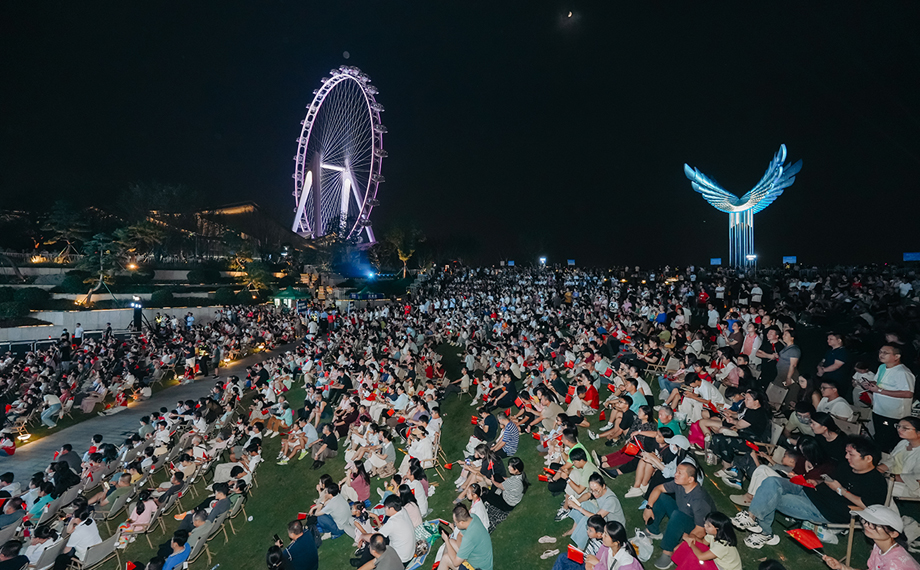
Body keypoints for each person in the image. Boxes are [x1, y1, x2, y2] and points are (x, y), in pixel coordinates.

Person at [732, 437, 888, 549]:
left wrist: (841, 490)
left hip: (823, 509)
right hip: (809, 490)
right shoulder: (845, 466)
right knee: (771, 481)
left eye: (851, 454)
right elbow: (828, 480)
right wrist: (817, 482)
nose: (846, 457)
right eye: (846, 453)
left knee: (772, 497)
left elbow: (868, 507)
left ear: (868, 458)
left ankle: (764, 531)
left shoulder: (876, 482)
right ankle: (752, 518)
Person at [643, 463, 715, 569]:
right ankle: (652, 531)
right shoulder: (679, 484)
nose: (675, 474)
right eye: (677, 471)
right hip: (683, 513)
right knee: (662, 497)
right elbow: (658, 488)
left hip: (696, 525)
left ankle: (668, 552)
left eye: (680, 473)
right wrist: (648, 507)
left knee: (678, 516)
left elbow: (701, 530)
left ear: (690, 479)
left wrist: (684, 540)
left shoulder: (699, 500)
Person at [821, 505, 920, 570]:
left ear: (894, 534)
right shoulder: (879, 547)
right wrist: (842, 567)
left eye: (875, 524)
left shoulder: (895, 565)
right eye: (865, 521)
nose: (866, 525)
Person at [869, 344, 916, 452]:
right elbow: (877, 382)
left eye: (885, 353)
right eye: (880, 352)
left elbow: (908, 393)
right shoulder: (882, 367)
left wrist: (880, 391)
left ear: (897, 356)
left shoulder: (903, 372)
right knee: (879, 438)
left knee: (889, 442)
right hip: (878, 409)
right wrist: (869, 385)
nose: (881, 355)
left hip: (893, 414)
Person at [563, 472, 625, 550]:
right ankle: (574, 529)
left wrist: (578, 507)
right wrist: (577, 502)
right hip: (603, 516)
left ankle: (580, 548)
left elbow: (596, 518)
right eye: (592, 490)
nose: (594, 493)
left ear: (603, 486)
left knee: (587, 520)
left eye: (596, 490)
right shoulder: (599, 490)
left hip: (613, 526)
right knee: (584, 504)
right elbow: (588, 495)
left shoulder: (610, 500)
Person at [674, 512, 741, 570]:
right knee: (688, 547)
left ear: (717, 529)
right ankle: (682, 564)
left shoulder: (723, 545)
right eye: (705, 523)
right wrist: (692, 537)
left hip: (723, 568)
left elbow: (701, 556)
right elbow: (703, 543)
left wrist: (691, 544)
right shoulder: (713, 535)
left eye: (708, 526)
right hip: (717, 562)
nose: (705, 526)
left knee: (693, 557)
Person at [440, 503, 493, 570]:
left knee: (445, 558)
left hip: (478, 568)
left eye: (456, 522)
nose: (455, 524)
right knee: (451, 541)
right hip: (481, 560)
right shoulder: (473, 517)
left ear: (461, 522)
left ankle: (442, 565)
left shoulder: (468, 538)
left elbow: (456, 563)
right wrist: (462, 551)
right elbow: (460, 534)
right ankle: (442, 566)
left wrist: (446, 541)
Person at [877, 416, 920, 499]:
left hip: (910, 488)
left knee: (874, 487)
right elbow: (892, 460)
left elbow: (916, 479)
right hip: (892, 479)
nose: (899, 430)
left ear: (918, 433)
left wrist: (888, 476)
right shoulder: (903, 443)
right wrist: (878, 469)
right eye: (898, 426)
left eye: (905, 428)